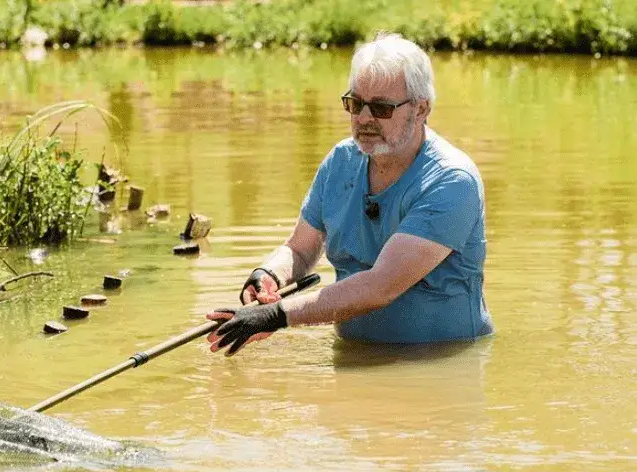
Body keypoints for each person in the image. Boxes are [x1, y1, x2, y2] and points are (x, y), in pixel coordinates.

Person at [206, 32, 494, 357]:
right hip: (353, 356)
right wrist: (269, 275)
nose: (364, 119)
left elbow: (380, 287)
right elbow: (300, 249)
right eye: (356, 104)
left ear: (421, 109)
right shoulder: (341, 161)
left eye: (382, 108)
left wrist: (276, 316)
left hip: (439, 365)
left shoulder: (452, 180)